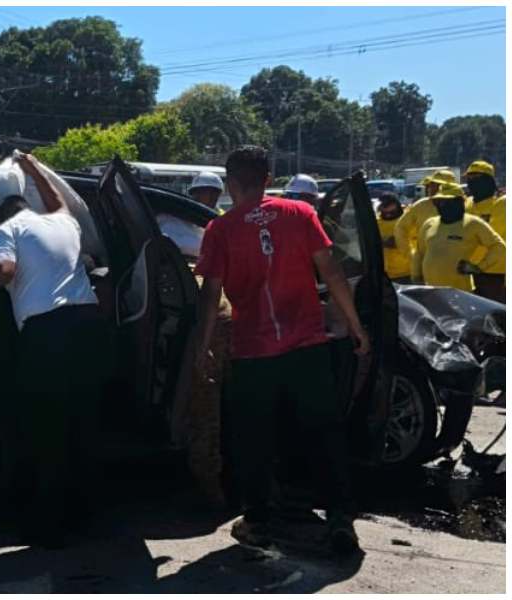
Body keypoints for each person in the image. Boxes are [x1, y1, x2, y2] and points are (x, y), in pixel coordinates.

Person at [194, 145, 370, 556]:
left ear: (230, 183)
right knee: (324, 433)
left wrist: (202, 348)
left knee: (254, 440)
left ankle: (257, 522)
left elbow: (210, 295)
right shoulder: (301, 215)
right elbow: (332, 272)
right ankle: (341, 519)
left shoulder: (220, 230)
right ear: (269, 179)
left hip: (254, 353)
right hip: (307, 348)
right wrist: (357, 327)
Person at [0, 152, 111, 547]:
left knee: (47, 429)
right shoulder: (62, 220)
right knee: (84, 424)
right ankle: (89, 517)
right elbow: (59, 200)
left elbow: (2, 274)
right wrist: (30, 167)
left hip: (48, 335)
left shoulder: (4, 232)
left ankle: (48, 526)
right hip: (89, 327)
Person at [417, 182, 505, 293]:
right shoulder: (429, 223)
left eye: (446, 202)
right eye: (438, 202)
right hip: (432, 291)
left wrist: (479, 267)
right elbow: (420, 253)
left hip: (461, 292)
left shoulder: (473, 223)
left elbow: (499, 247)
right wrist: (416, 277)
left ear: (458, 202)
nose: (441, 205)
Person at [394, 169, 458, 282]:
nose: (431, 188)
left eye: (437, 185)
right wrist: (410, 253)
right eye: (430, 185)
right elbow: (401, 228)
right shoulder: (420, 206)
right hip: (423, 267)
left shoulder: (464, 205)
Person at [464, 160, 506, 302]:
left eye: (477, 178)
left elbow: (492, 237)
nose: (471, 182)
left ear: (489, 181)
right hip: (468, 271)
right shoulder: (467, 203)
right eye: (469, 179)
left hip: (495, 272)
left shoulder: (501, 203)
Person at [376, 192, 412, 283]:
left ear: (396, 204)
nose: (387, 213)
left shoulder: (407, 220)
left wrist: (380, 241)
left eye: (388, 205)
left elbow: (398, 242)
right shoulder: (376, 223)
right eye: (383, 207)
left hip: (406, 273)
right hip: (385, 274)